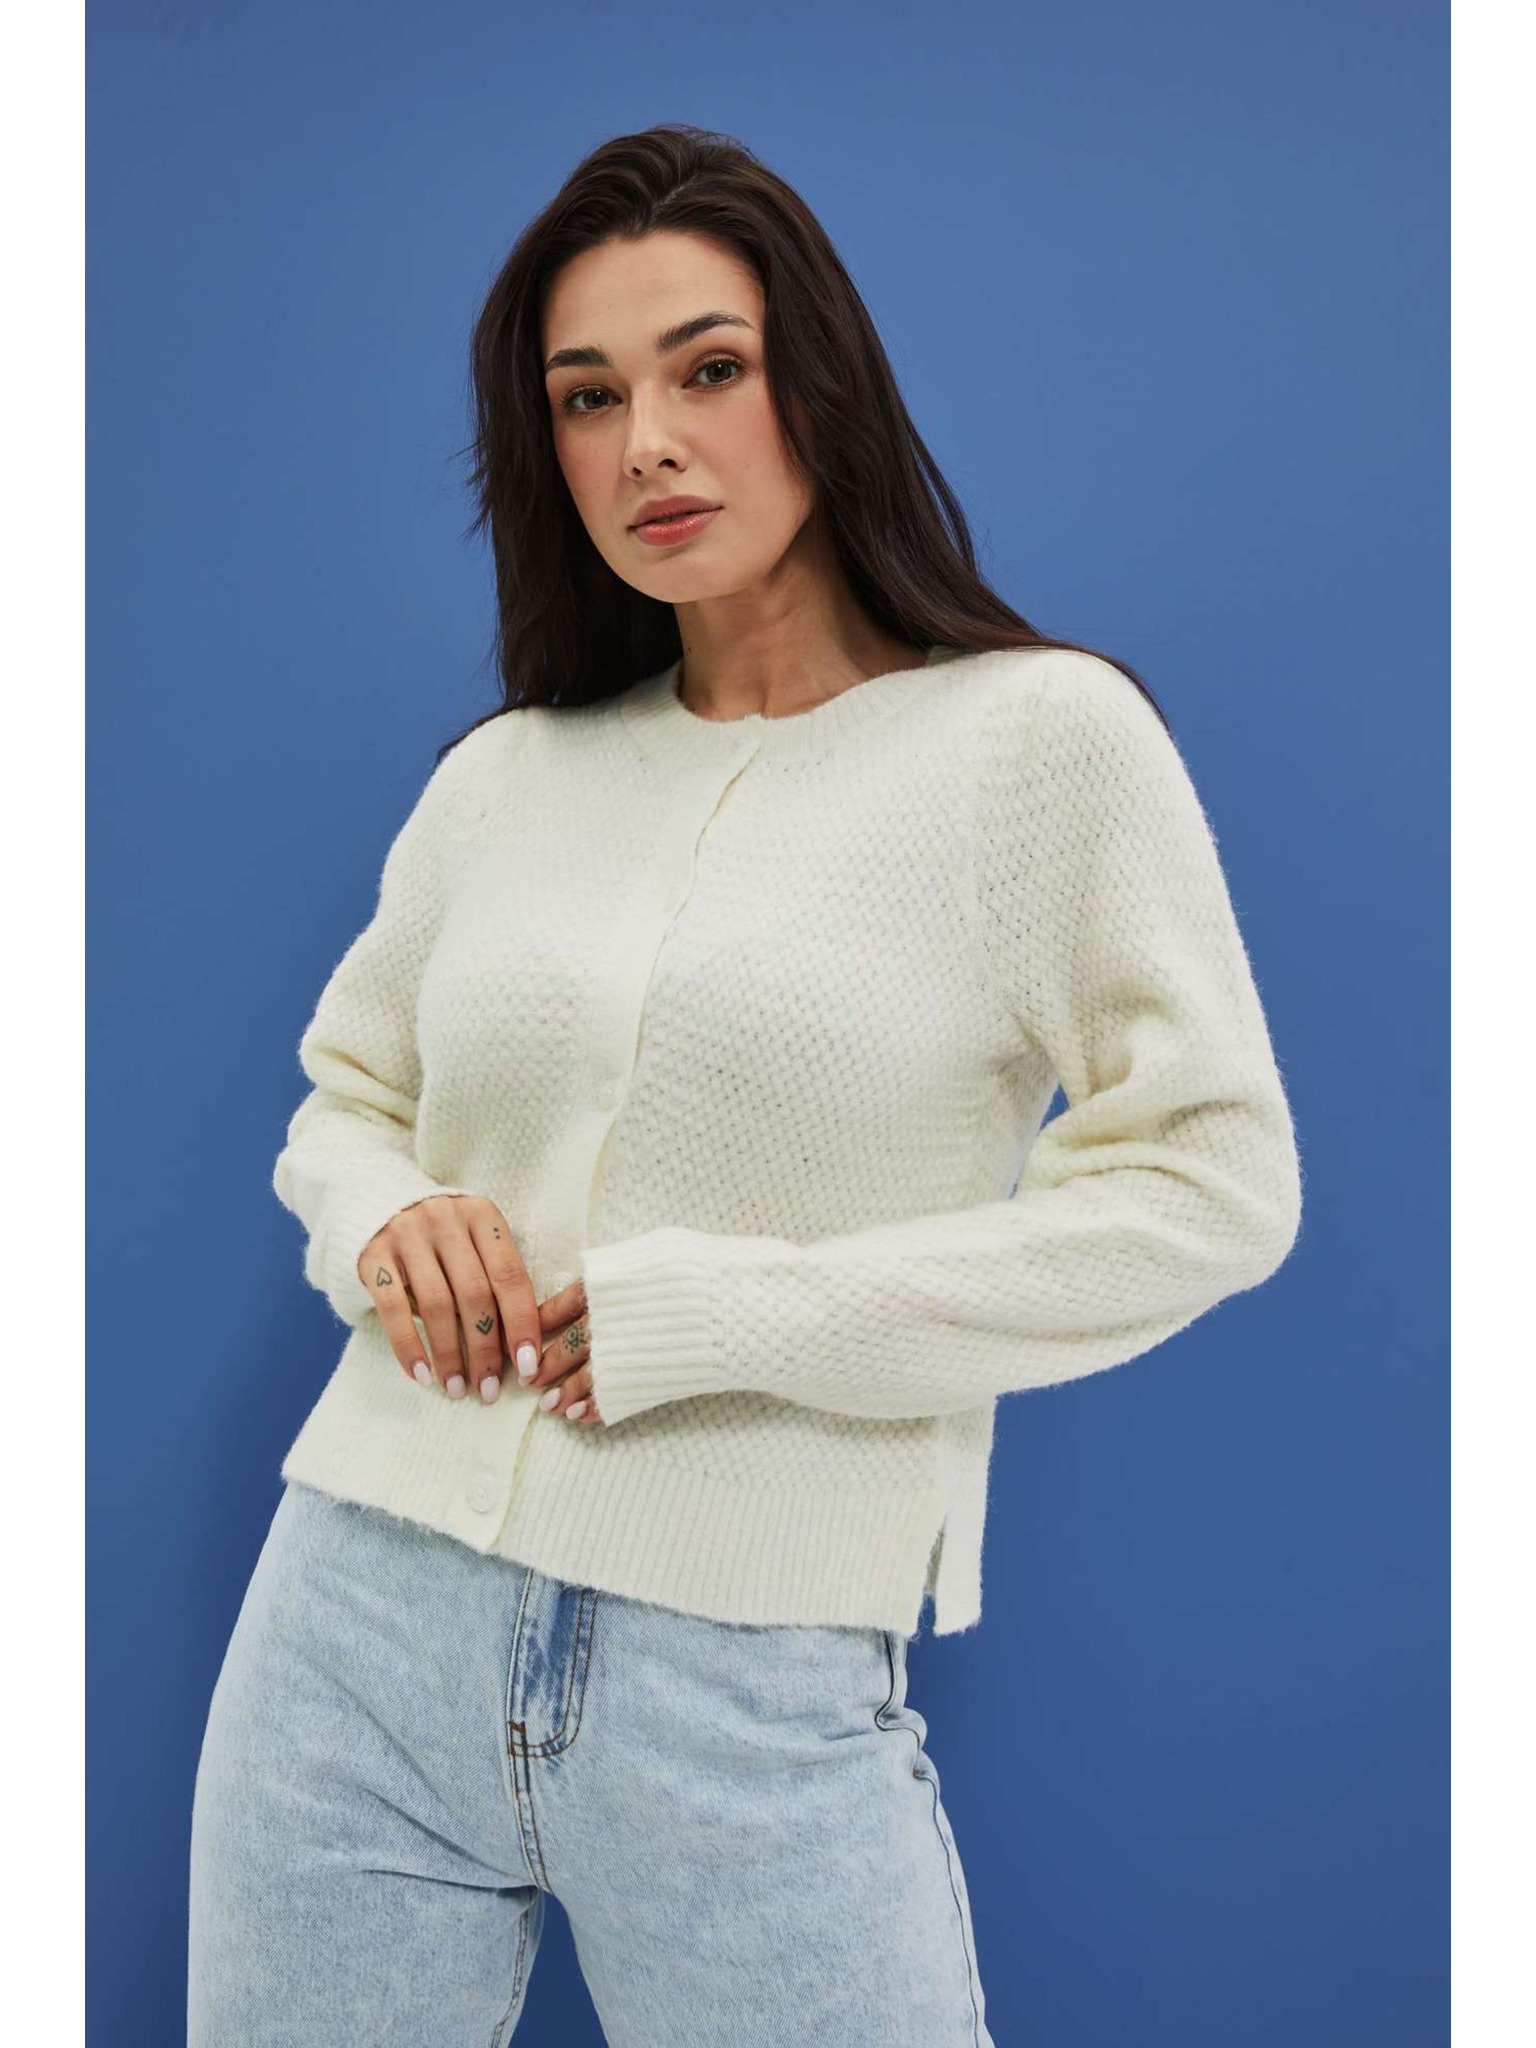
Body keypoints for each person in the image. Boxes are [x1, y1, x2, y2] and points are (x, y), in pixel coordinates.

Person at [187, 122, 1303, 2045]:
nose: (648, 445)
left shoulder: (1038, 744)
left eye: (709, 369)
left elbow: (1210, 1187)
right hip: (354, 1625)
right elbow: (343, 1099)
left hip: (749, 1674)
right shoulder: (508, 775)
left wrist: (740, 1315)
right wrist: (387, 1217)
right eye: (587, 397)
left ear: (823, 384)